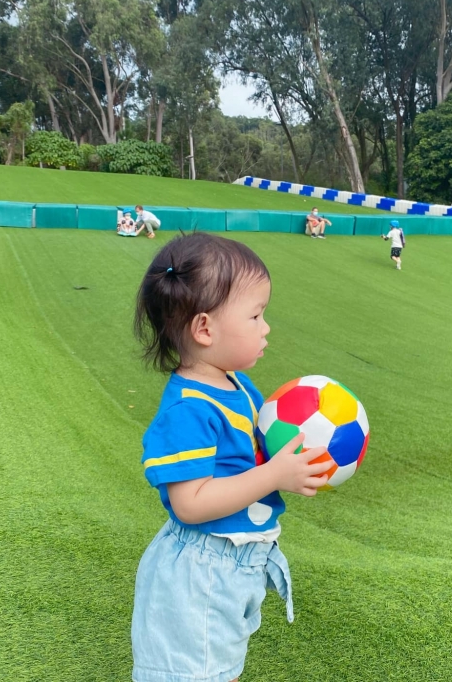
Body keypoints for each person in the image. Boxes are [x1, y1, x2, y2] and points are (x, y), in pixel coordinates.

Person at [131, 232, 333, 682]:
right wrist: (273, 474)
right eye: (256, 315)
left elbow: (248, 453)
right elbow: (191, 503)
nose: (266, 327)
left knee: (218, 669)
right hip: (201, 571)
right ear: (205, 330)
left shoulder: (235, 385)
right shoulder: (189, 409)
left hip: (236, 562)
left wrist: (292, 454)